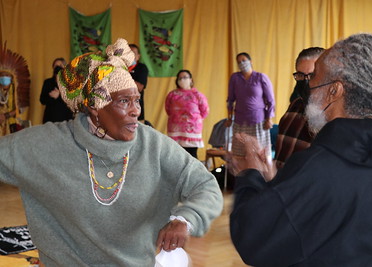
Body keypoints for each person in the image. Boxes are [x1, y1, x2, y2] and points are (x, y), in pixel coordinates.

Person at [0, 38, 223, 266]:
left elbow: (204, 184)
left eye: (136, 100)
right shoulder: (46, 144)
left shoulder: (153, 146)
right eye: (124, 101)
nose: (136, 111)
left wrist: (185, 219)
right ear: (93, 107)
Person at [230, 33, 372, 266]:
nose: (307, 86)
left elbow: (254, 239)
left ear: (335, 90)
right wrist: (274, 181)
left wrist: (250, 173)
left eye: (314, 76)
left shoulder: (323, 164)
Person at [274, 47, 325, 169]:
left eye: (312, 75)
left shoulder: (333, 115)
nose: (306, 81)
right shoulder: (295, 106)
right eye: (301, 76)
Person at [225, 52, 275, 160]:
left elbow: (270, 100)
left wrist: (269, 119)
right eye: (239, 62)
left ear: (251, 61)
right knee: (239, 154)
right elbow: (230, 100)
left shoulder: (261, 77)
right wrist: (229, 118)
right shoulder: (235, 78)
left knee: (259, 154)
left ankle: (260, 176)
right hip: (240, 122)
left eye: (244, 60)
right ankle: (241, 176)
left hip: (258, 121)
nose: (242, 63)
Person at [165, 69, 209, 159]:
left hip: (192, 131)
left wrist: (194, 120)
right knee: (176, 156)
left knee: (192, 157)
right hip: (175, 130)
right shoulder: (172, 95)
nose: (182, 80)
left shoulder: (198, 95)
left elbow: (204, 111)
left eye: (185, 77)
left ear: (191, 80)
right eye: (180, 78)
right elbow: (168, 109)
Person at [0, 42, 30, 136]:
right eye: (2, 75)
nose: (4, 78)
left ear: (12, 78)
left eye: (7, 76)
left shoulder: (16, 90)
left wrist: (5, 116)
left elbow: (21, 109)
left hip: (12, 125)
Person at [40, 57, 74, 123]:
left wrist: (59, 96)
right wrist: (51, 96)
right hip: (50, 119)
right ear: (53, 68)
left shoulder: (70, 83)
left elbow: (72, 101)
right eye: (56, 66)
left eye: (60, 65)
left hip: (65, 119)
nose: (58, 67)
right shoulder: (48, 82)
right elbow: (42, 100)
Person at [128, 43, 151, 126]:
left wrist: (121, 79)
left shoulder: (142, 68)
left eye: (133, 53)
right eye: (127, 52)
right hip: (120, 108)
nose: (130, 55)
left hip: (136, 108)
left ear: (138, 56)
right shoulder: (118, 67)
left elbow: (139, 87)